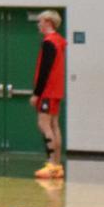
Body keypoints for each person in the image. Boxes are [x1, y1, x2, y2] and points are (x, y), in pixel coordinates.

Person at [32, 10, 67, 179]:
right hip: (56, 90)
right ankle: (57, 165)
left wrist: (36, 93)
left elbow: (44, 70)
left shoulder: (49, 42)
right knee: (54, 125)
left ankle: (51, 163)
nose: (38, 24)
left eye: (40, 21)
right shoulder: (59, 41)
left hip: (48, 91)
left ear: (48, 21)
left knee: (44, 124)